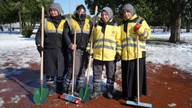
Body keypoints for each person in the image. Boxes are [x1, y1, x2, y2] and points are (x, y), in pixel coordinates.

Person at [120, 3, 151, 101]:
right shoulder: (121, 24)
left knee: (136, 76)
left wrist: (140, 29)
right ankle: (127, 93)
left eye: (128, 11)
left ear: (132, 11)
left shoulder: (140, 20)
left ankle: (136, 94)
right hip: (125, 54)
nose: (126, 14)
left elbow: (148, 35)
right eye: (124, 12)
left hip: (137, 54)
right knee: (126, 75)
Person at [35, 2, 67, 95]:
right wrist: (38, 44)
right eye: (51, 11)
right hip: (48, 49)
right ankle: (50, 87)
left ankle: (60, 86)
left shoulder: (65, 21)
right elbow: (39, 34)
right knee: (49, 69)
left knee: (61, 69)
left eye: (55, 10)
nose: (53, 12)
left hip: (61, 50)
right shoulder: (45, 21)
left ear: (59, 11)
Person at [89, 7, 121, 99]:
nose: (104, 16)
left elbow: (118, 41)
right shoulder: (97, 26)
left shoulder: (115, 27)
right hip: (98, 55)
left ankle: (110, 90)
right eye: (102, 15)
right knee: (96, 74)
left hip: (110, 56)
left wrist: (118, 53)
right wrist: (89, 49)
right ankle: (96, 90)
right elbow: (92, 40)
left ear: (110, 15)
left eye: (106, 14)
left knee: (110, 74)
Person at [62, 4, 93, 95]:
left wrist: (91, 47)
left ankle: (79, 87)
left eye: (83, 12)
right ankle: (67, 87)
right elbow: (65, 34)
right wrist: (70, 44)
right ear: (76, 11)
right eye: (79, 11)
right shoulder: (70, 21)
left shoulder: (89, 22)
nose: (81, 13)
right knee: (73, 69)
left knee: (83, 69)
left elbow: (92, 35)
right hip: (75, 49)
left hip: (86, 50)